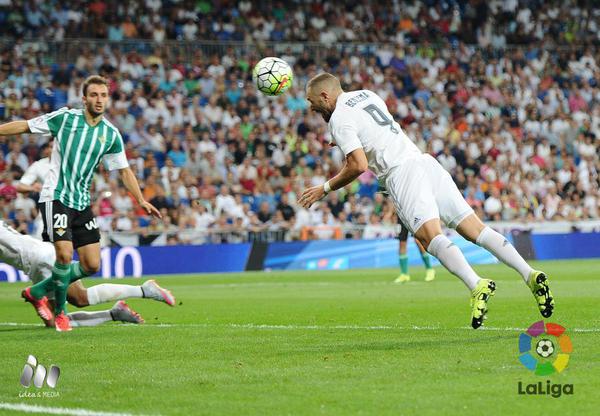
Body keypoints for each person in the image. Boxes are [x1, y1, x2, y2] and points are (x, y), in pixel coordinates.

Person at [299, 73, 554, 329]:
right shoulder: (366, 95)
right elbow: (373, 130)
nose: (311, 107)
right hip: (424, 162)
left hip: (401, 173)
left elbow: (358, 165)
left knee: (428, 238)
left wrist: (325, 188)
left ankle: (476, 284)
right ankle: (529, 273)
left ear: (325, 95)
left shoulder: (340, 119)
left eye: (312, 101)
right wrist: (345, 137)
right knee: (475, 229)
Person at [0, 75, 162, 331]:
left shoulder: (110, 134)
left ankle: (37, 291)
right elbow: (26, 126)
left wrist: (140, 199)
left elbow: (123, 170)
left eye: (103, 95)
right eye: (94, 95)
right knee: (64, 255)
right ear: (84, 98)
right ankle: (61, 314)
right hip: (56, 196)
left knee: (91, 264)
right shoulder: (65, 119)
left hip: (82, 202)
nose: (99, 100)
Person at [0, 220, 175, 326]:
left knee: (55, 320)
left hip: (40, 262)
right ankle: (133, 299)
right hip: (43, 254)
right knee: (80, 298)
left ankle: (135, 298)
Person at [394, 218, 435, 283]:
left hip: (413, 216)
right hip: (401, 217)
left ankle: (429, 269)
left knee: (418, 241)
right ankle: (404, 274)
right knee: (402, 242)